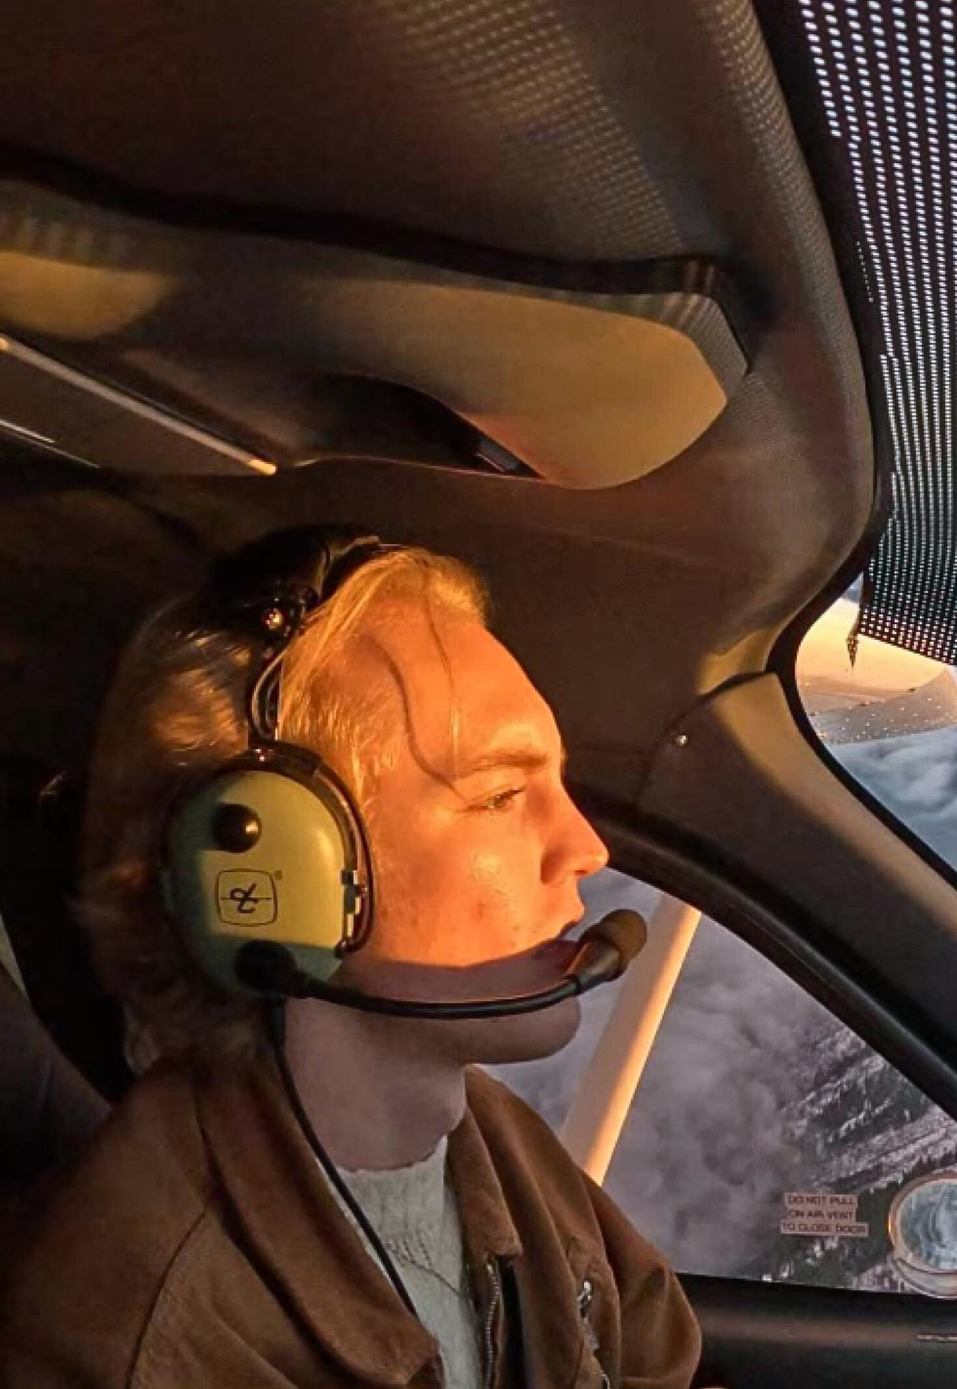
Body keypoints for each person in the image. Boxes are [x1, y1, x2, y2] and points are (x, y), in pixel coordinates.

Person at [0, 526, 703, 1388]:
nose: (586, 847)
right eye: (500, 794)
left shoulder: (493, 1144)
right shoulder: (141, 1338)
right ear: (277, 872)